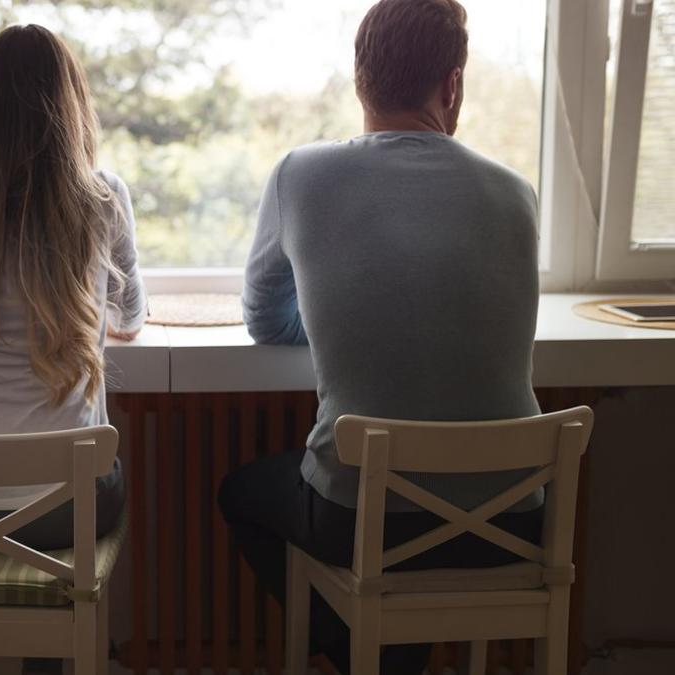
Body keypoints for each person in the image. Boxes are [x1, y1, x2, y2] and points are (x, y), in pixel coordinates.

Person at [219, 0, 544, 672]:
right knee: (411, 521)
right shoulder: (518, 194)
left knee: (241, 494)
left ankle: (351, 645)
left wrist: (350, 316)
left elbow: (264, 318)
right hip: (514, 521)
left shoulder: (301, 174)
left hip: (363, 520)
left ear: (360, 80)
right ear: (452, 85)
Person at [0, 24, 146, 552]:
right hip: (67, 509)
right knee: (116, 479)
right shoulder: (102, 198)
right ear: (71, 107)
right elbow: (130, 318)